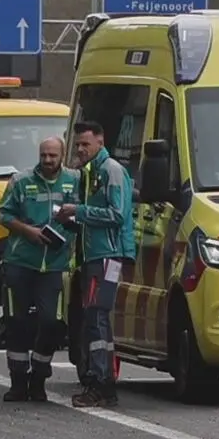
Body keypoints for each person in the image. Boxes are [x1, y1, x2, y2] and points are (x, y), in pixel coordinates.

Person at [56, 121, 135, 409]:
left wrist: (79, 211)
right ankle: (101, 381)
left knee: (97, 318)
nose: (79, 149)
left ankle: (101, 383)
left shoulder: (110, 170)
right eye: (77, 144)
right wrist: (73, 221)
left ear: (100, 143)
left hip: (107, 256)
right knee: (94, 319)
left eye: (85, 144)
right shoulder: (90, 173)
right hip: (95, 256)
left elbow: (116, 214)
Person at [0, 135, 77, 402]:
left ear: (62, 155)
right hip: (20, 262)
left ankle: (39, 377)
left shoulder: (75, 180)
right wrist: (28, 231)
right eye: (43, 155)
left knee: (51, 323)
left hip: (55, 264)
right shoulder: (21, 181)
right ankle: (18, 381)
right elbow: (3, 214)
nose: (47, 160)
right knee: (16, 323)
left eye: (53, 155)